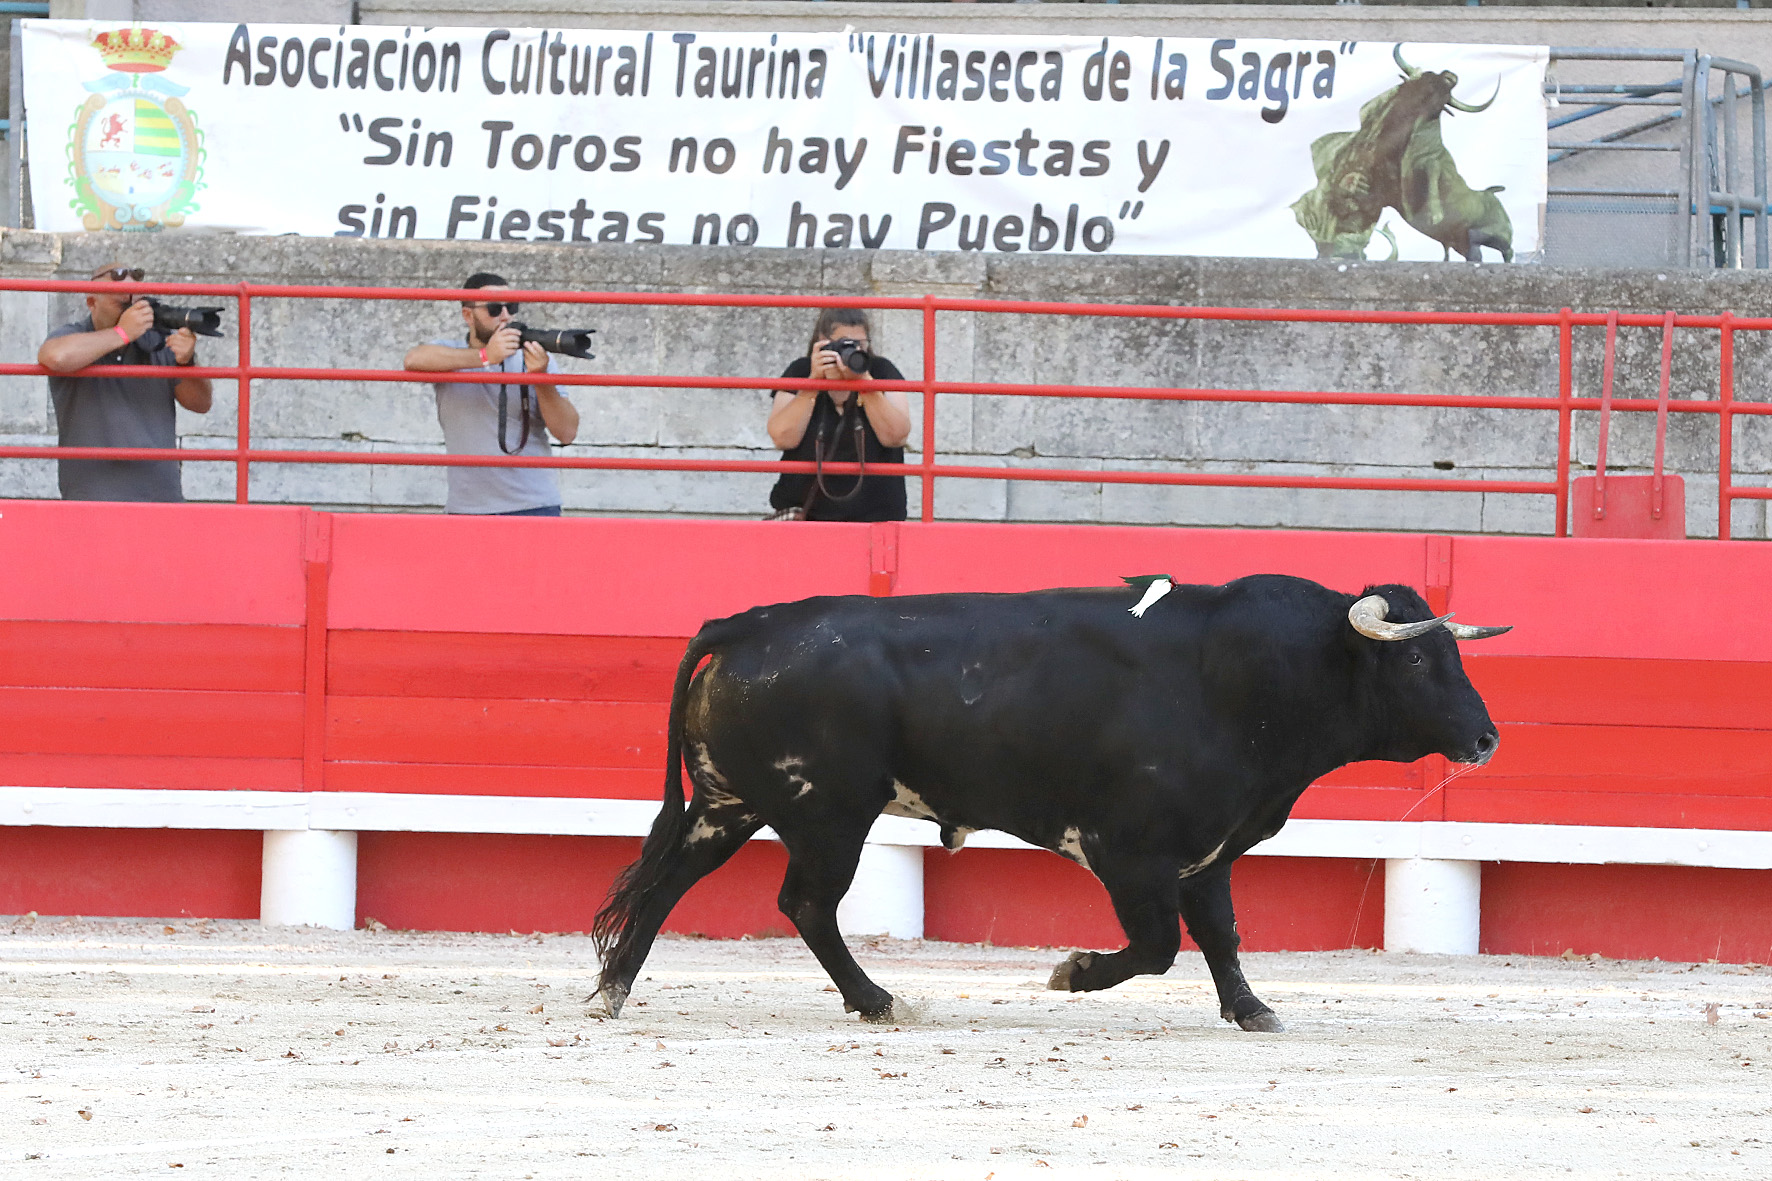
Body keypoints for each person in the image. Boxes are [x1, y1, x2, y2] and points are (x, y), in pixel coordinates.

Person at [402, 272, 580, 516]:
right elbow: (413, 359)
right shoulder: (451, 353)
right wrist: (485, 357)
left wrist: (541, 379)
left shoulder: (533, 358)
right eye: (494, 309)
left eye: (511, 306)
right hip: (466, 509)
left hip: (534, 505)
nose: (505, 315)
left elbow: (567, 432)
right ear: (468, 315)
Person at [37, 262, 214, 502]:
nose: (130, 308)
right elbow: (55, 357)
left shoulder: (159, 341)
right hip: (91, 498)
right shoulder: (72, 335)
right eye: (120, 303)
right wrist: (122, 333)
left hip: (160, 498)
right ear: (91, 302)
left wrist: (187, 361)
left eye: (134, 302)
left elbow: (201, 403)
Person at [766, 308, 911, 522]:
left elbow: (896, 436)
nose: (851, 352)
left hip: (876, 516)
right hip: (808, 517)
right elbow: (782, 437)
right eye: (844, 344)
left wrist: (865, 385)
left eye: (859, 345)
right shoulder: (801, 371)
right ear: (823, 342)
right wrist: (812, 383)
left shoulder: (881, 371)